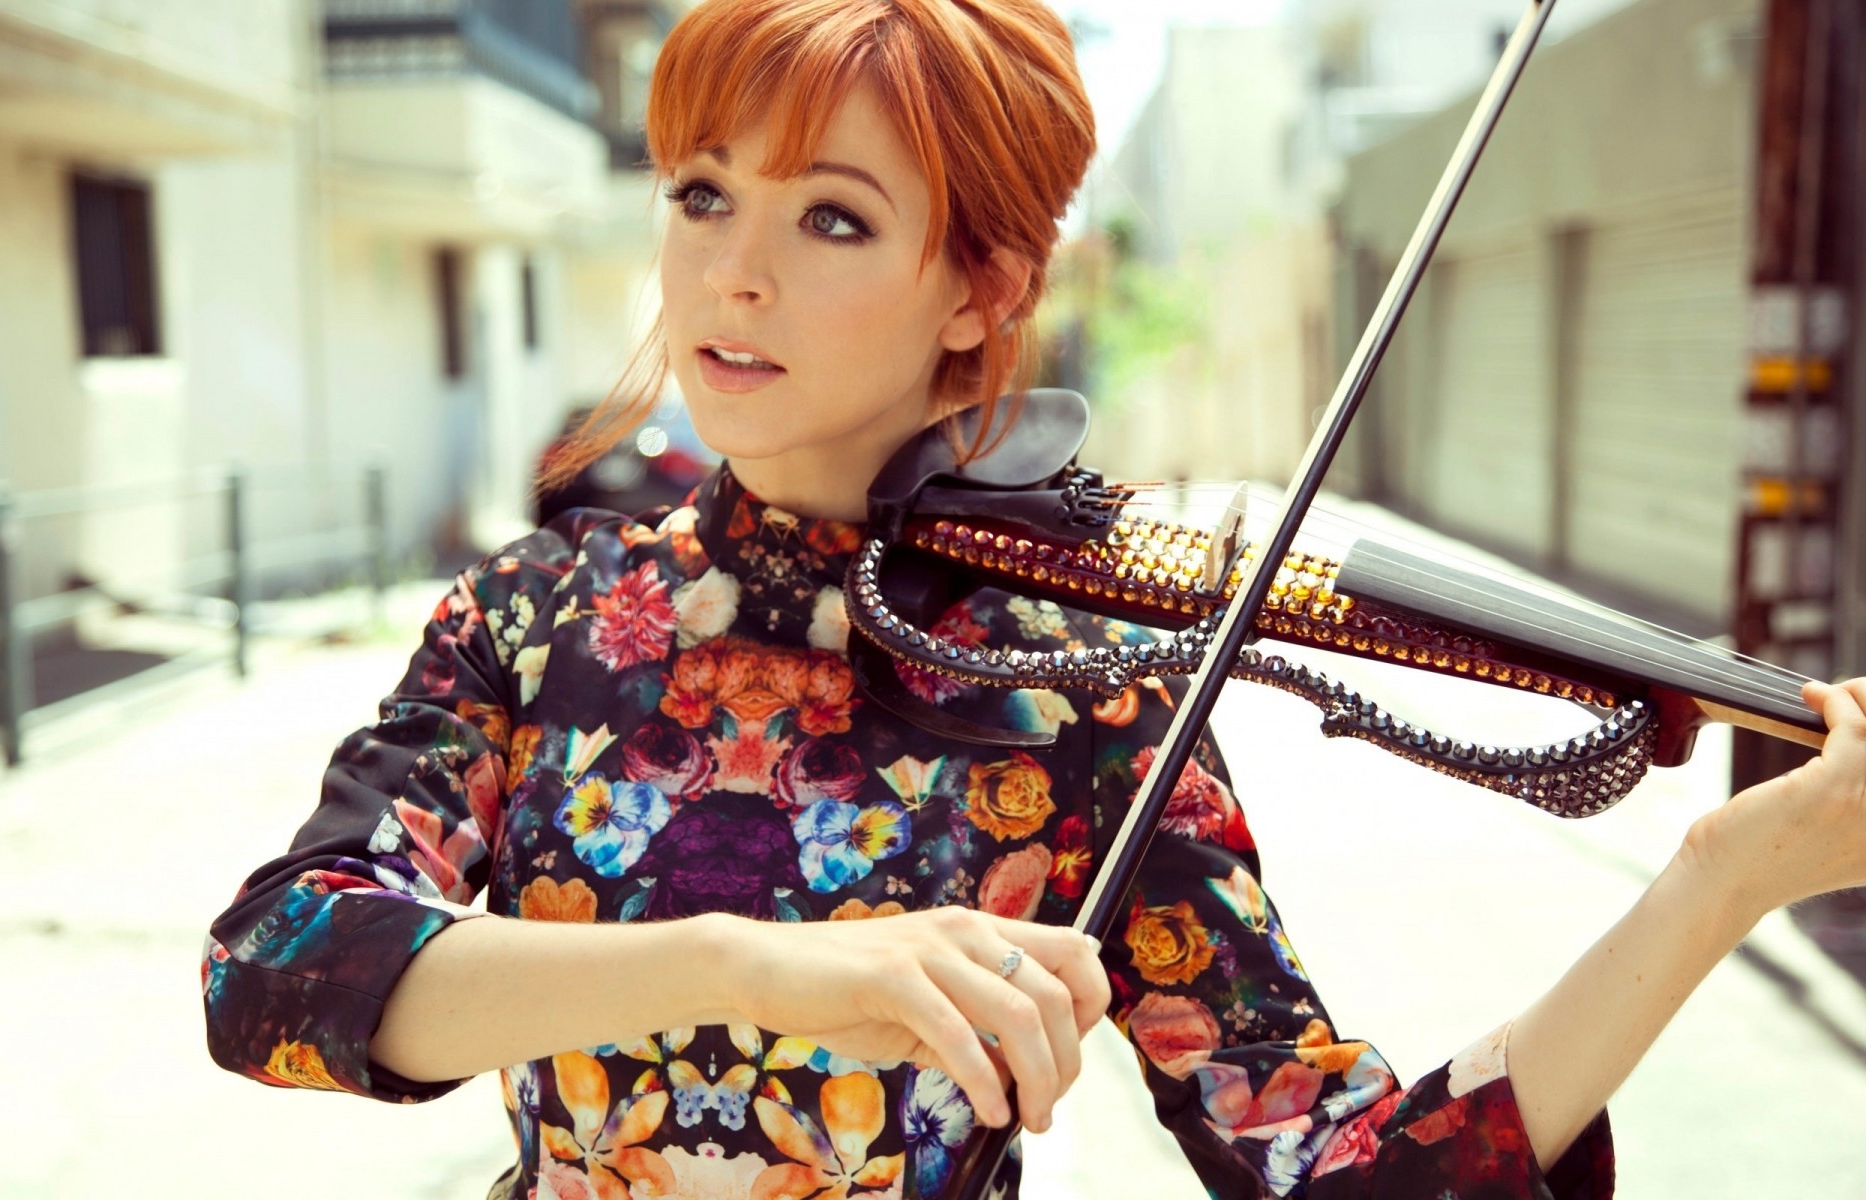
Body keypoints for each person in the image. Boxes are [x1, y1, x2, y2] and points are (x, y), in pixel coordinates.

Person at [200, 1, 1866, 1197]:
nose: (734, 271)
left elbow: (1334, 1165)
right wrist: (758, 970)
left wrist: (1721, 879)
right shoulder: (540, 613)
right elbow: (274, 972)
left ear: (978, 287)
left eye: (832, 217)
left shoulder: (1083, 686)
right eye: (703, 192)